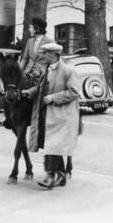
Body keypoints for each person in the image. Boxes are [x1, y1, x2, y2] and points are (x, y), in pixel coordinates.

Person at [22, 42, 80, 190]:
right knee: (52, 144)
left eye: (45, 53)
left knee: (52, 145)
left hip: (62, 116)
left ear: (54, 55)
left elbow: (74, 92)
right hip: (46, 114)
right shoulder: (46, 69)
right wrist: (31, 91)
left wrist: (53, 97)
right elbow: (41, 87)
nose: (42, 56)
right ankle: (60, 174)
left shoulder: (68, 70)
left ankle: (50, 177)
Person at [20, 16, 53, 83]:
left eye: (31, 27)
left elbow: (53, 61)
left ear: (37, 29)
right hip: (27, 76)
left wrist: (44, 73)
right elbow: (25, 59)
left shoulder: (50, 42)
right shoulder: (30, 41)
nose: (29, 29)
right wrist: (19, 71)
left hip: (42, 78)